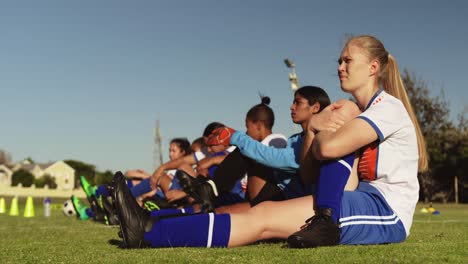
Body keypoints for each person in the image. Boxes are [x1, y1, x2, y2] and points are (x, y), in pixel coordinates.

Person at [114, 34, 427, 249]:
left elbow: (329, 150)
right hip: (357, 194)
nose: (339, 66)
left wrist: (319, 128)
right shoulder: (355, 110)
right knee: (259, 217)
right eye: (339, 60)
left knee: (262, 219)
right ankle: (148, 227)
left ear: (373, 67)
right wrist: (313, 129)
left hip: (387, 210)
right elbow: (309, 173)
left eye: (348, 61)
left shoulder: (387, 107)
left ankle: (327, 220)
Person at [177, 86, 332, 211]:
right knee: (223, 210)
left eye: (297, 102)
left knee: (249, 152)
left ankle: (210, 190)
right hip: (280, 192)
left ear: (315, 107)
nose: (292, 107)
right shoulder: (296, 139)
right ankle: (208, 191)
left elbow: (277, 159)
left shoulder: (317, 138)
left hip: (297, 201)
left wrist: (235, 137)